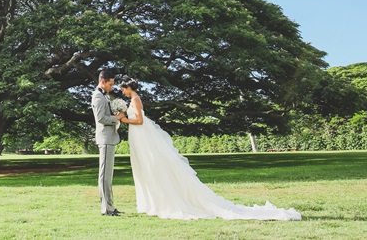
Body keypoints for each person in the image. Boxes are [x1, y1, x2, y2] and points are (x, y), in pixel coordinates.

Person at [116, 76, 301, 221]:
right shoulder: (132, 100)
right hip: (139, 139)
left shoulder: (136, 100)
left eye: (122, 88)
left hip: (142, 137)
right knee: (145, 169)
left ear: (127, 87)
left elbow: (139, 121)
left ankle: (162, 203)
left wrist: (124, 120)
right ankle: (151, 203)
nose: (122, 91)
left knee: (152, 167)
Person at [90, 69, 122, 216]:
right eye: (110, 84)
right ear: (102, 82)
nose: (112, 87)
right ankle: (106, 208)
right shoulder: (98, 96)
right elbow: (101, 118)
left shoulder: (104, 96)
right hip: (105, 139)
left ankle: (110, 206)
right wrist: (117, 118)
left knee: (108, 176)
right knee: (104, 176)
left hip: (109, 139)